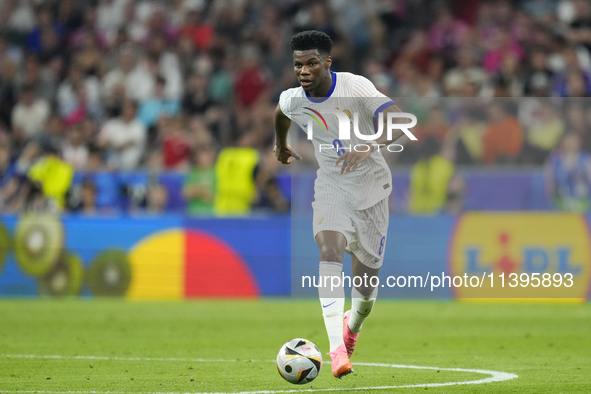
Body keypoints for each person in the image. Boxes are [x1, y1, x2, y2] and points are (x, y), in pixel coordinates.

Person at [273, 31, 407, 378]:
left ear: (327, 63)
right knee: (329, 250)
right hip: (331, 187)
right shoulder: (293, 99)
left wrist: (368, 145)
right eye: (298, 64)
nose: (304, 70)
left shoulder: (355, 87)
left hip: (372, 191)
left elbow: (398, 120)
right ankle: (335, 350)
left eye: (312, 63)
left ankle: (352, 327)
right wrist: (280, 146)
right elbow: (281, 112)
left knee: (364, 298)